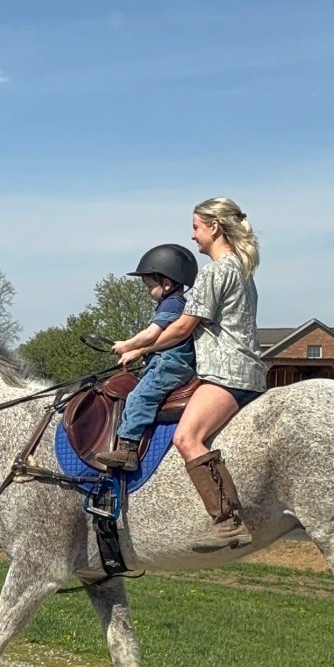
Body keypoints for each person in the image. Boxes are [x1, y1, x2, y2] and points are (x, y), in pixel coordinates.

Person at [113, 199, 266, 547]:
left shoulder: (215, 272)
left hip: (227, 373)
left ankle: (227, 521)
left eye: (196, 227)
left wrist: (138, 348)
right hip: (249, 371)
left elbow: (183, 328)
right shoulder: (242, 270)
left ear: (214, 227)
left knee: (187, 438)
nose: (193, 235)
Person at [92, 243, 199, 472]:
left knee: (139, 396)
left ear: (167, 283)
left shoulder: (172, 303)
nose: (147, 291)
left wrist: (127, 344)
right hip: (165, 361)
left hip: (169, 364)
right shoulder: (173, 303)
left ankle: (128, 449)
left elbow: (151, 334)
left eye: (150, 286)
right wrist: (135, 352)